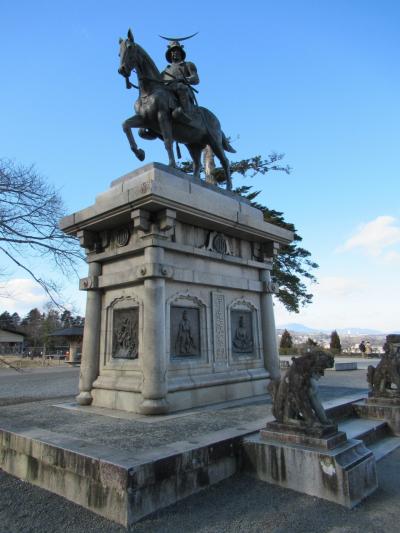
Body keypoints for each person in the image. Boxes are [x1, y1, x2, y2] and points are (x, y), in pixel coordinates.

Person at [162, 40, 199, 123]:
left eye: (177, 51)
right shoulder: (165, 71)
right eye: (172, 51)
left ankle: (186, 113)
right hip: (168, 91)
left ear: (181, 52)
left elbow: (196, 79)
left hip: (183, 89)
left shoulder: (188, 65)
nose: (174, 53)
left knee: (181, 87)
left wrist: (186, 79)